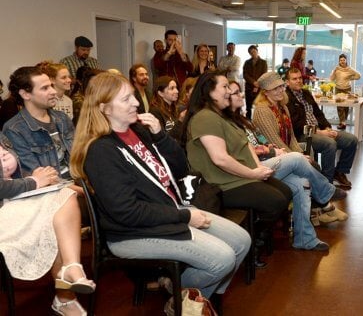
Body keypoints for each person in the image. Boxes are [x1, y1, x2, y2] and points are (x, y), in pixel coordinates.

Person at [69, 72, 250, 299]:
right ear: (104, 108)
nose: (136, 102)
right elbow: (126, 211)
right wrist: (184, 216)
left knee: (242, 241)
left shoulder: (138, 130)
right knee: (223, 259)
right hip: (133, 233)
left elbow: (181, 168)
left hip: (167, 213)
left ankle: (192, 297)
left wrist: (160, 135)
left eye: (133, 96)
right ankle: (186, 299)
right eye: (126, 99)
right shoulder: (101, 151)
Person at [181, 71, 291, 266]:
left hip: (237, 178)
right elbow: (220, 159)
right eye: (224, 87)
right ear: (209, 92)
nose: (229, 92)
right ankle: (251, 244)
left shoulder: (220, 116)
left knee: (285, 191)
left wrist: (256, 169)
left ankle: (254, 238)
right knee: (275, 200)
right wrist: (253, 173)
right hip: (221, 183)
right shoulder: (205, 117)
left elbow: (243, 145)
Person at [231, 80, 347, 249]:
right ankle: (325, 195)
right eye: (234, 92)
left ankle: (305, 239)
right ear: (265, 92)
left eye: (281, 87)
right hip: (255, 169)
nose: (280, 90)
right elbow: (258, 146)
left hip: (267, 159)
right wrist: (276, 152)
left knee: (303, 183)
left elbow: (270, 140)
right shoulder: (249, 116)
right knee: (301, 160)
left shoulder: (243, 118)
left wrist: (276, 150)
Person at [0, 125, 94, 315]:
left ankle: (70, 271)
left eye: (4, 152)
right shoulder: (13, 128)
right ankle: (66, 295)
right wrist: (34, 182)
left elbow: (19, 181)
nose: (3, 155)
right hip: (6, 214)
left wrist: (42, 181)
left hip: (18, 204)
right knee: (56, 212)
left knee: (63, 200)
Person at [285, 68, 358, 188]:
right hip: (303, 135)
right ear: (287, 82)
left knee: (351, 140)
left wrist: (328, 128)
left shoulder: (306, 93)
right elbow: (296, 125)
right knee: (329, 144)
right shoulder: (286, 98)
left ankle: (339, 172)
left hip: (320, 130)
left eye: (300, 78)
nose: (298, 81)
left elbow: (318, 113)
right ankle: (326, 184)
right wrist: (320, 132)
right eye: (294, 79)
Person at [2, 67, 75, 180]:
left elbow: (79, 157)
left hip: (77, 181)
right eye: (45, 88)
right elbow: (38, 176)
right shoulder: (14, 129)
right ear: (26, 94)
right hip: (53, 190)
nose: (53, 91)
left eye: (51, 85)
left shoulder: (62, 118)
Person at [329, 54, 361, 130]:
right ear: (339, 61)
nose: (342, 61)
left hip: (347, 89)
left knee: (346, 106)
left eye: (343, 60)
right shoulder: (337, 69)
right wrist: (334, 71)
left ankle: (344, 122)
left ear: (346, 60)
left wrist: (350, 78)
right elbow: (331, 78)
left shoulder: (349, 69)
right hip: (338, 89)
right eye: (341, 60)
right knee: (340, 106)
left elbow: (358, 76)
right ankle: (342, 122)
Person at [242, 45, 267, 118]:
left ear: (257, 51)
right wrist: (253, 82)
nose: (253, 53)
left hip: (260, 87)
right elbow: (245, 74)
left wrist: (257, 84)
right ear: (249, 53)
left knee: (259, 106)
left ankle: (259, 121)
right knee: (248, 107)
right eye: (251, 52)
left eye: (254, 51)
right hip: (249, 87)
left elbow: (264, 74)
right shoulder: (247, 62)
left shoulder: (263, 62)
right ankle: (248, 122)